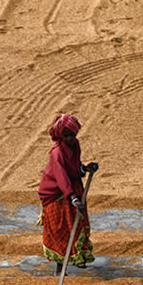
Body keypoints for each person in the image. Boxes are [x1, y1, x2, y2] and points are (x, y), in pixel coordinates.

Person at [37, 114, 98, 273]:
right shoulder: (57, 153)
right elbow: (61, 176)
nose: (70, 138)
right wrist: (72, 197)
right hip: (56, 192)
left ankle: (79, 256)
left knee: (78, 223)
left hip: (72, 187)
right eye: (67, 136)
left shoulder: (76, 145)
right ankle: (60, 265)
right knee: (61, 228)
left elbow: (75, 167)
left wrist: (85, 169)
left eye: (72, 135)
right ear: (60, 136)